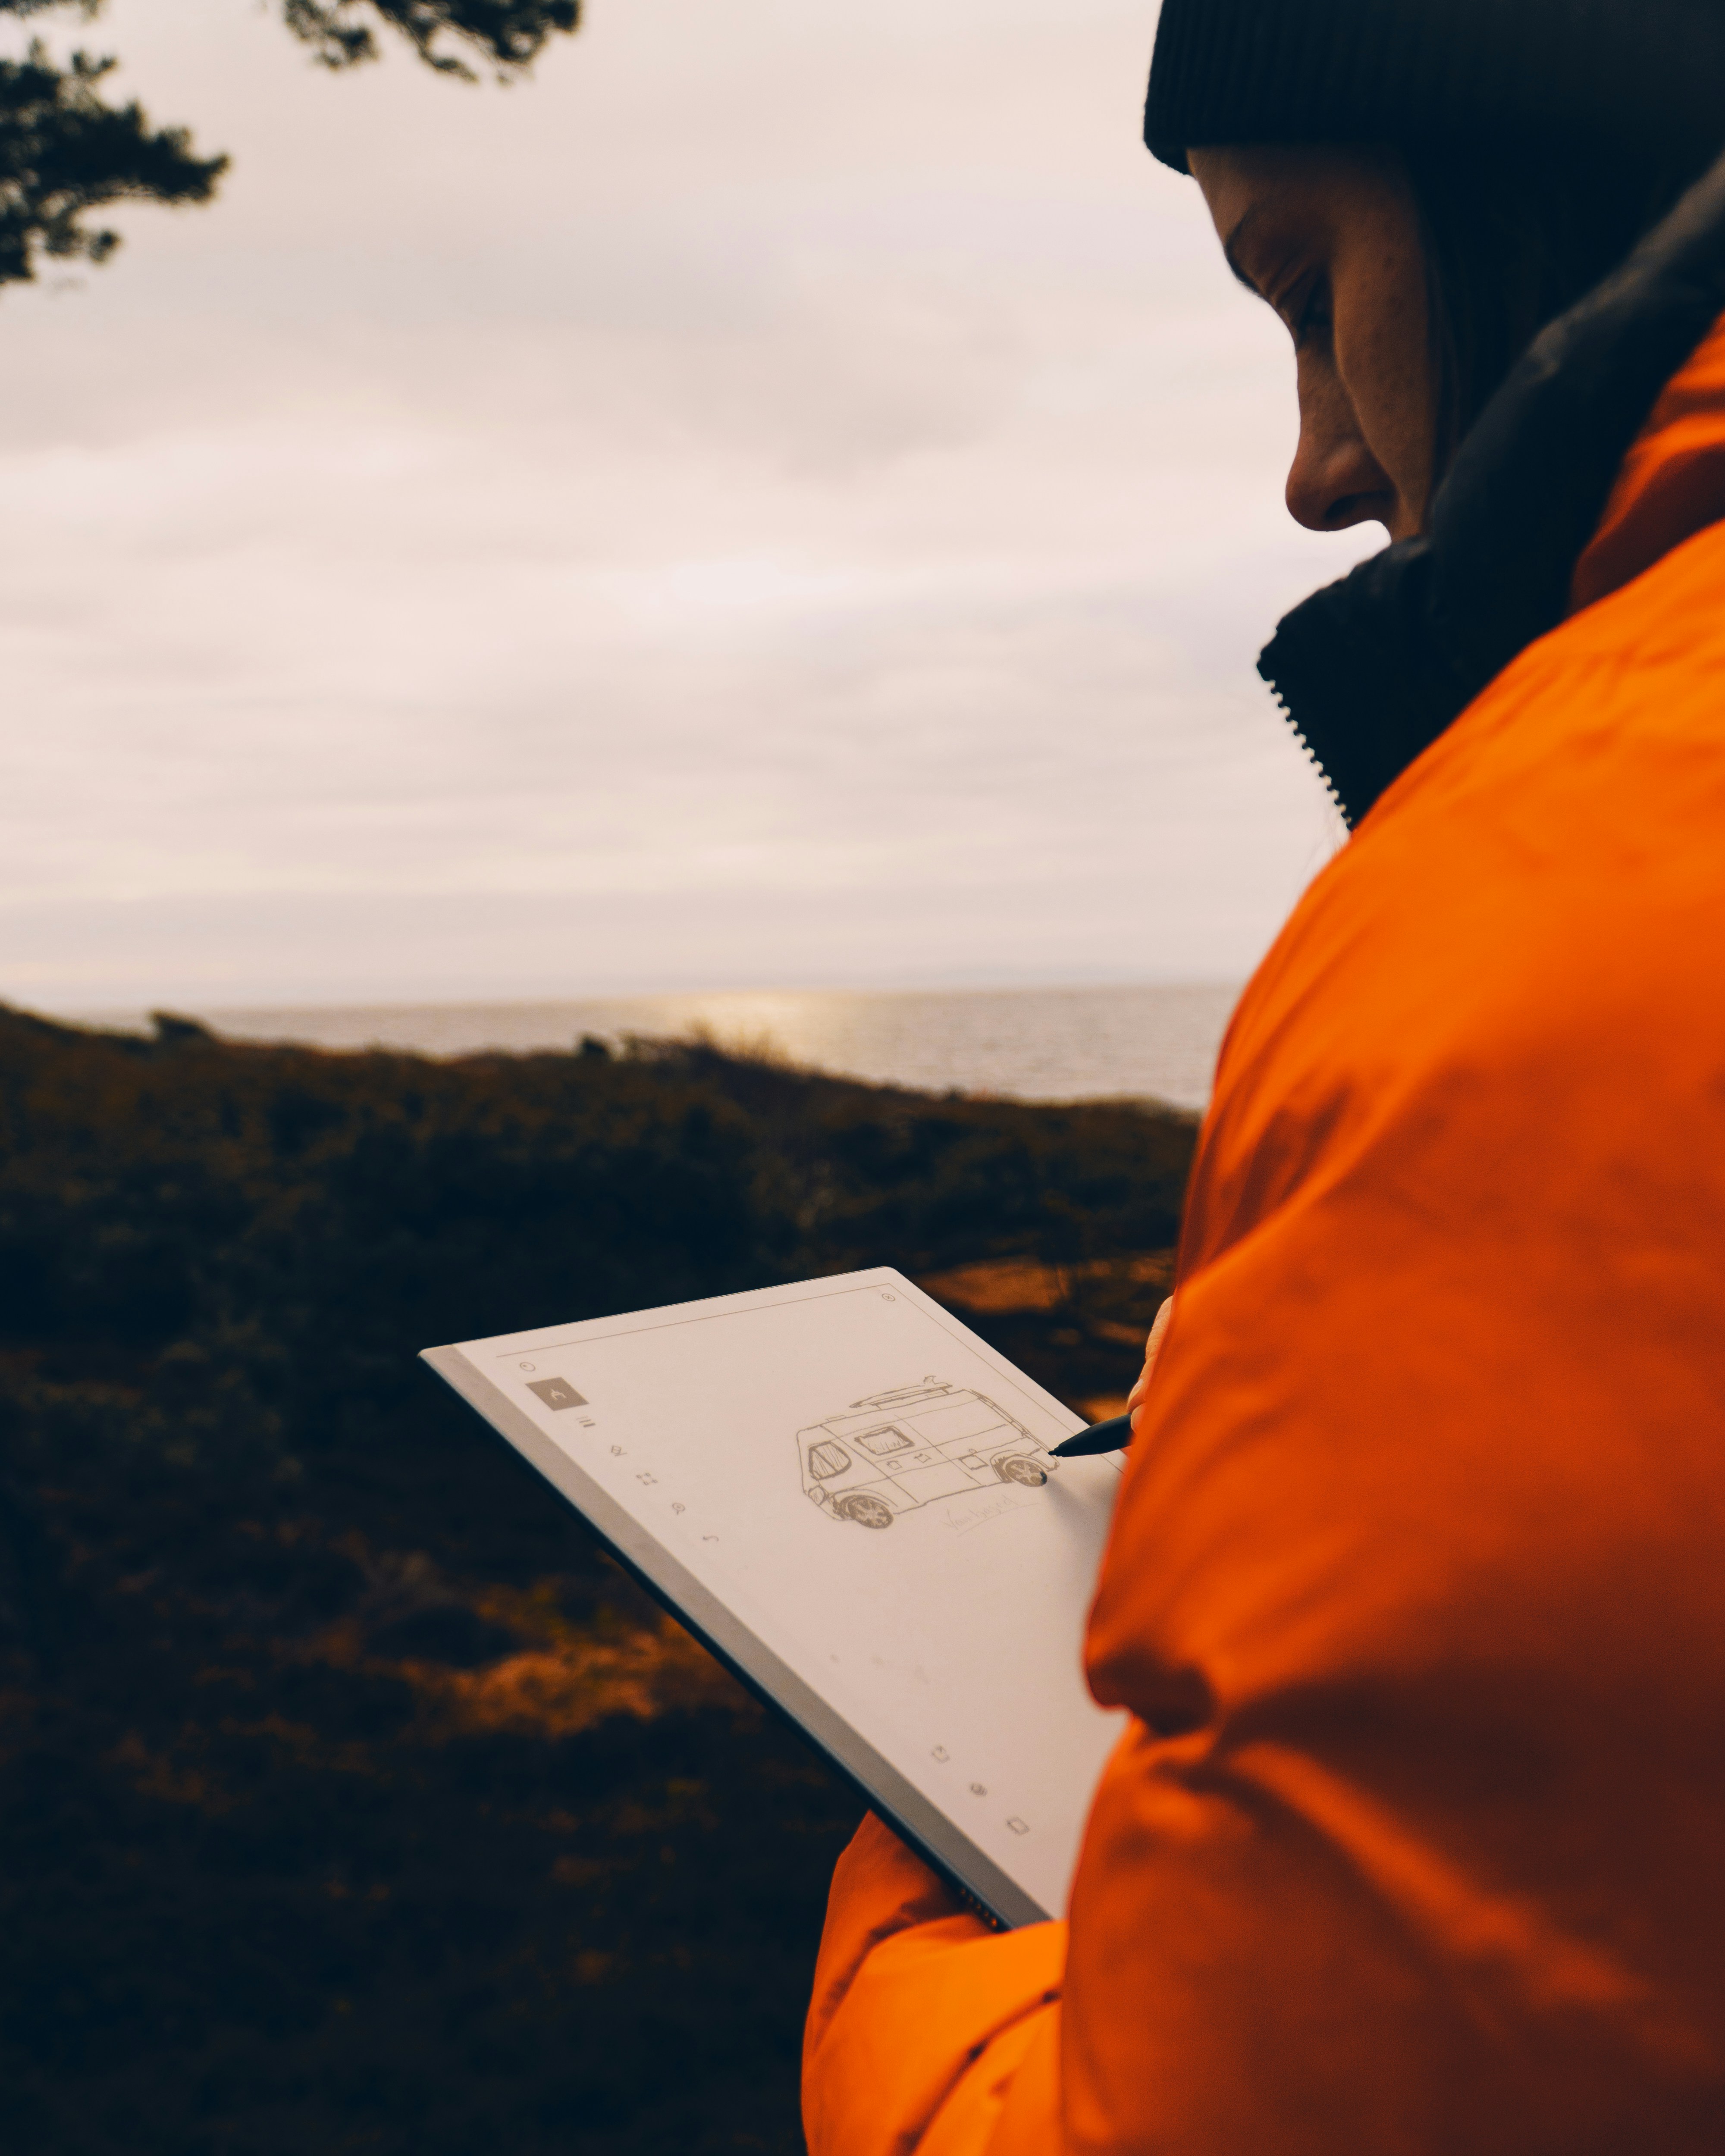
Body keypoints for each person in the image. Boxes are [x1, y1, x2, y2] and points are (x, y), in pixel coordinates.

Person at [800, 3, 1725, 2150]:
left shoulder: (1578, 889)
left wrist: (916, 1866)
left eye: (1308, 289)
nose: (1312, 462)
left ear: (1560, 167)